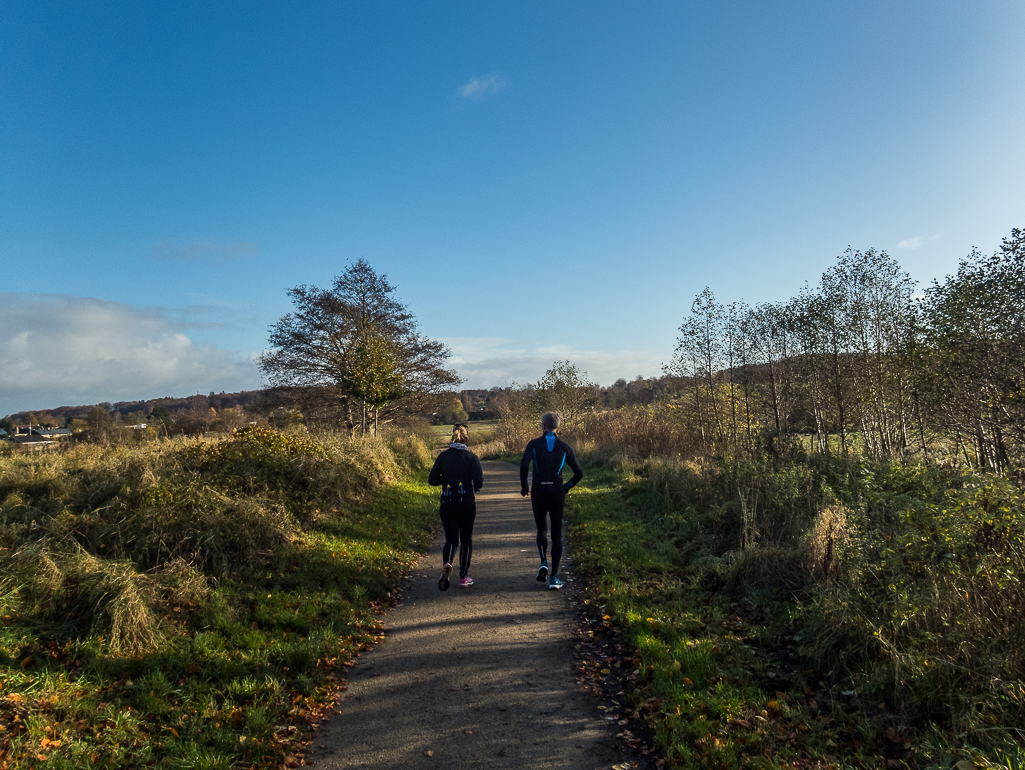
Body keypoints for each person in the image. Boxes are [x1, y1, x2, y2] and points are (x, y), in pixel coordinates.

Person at [519, 412, 583, 589]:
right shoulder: (564, 447)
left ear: (542, 426)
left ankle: (543, 562)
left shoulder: (533, 445)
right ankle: (554, 577)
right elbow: (579, 474)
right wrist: (566, 487)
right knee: (556, 533)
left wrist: (524, 486)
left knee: (541, 529)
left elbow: (524, 465)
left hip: (538, 491)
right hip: (557, 492)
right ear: (558, 427)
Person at [428, 423, 484, 590]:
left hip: (447, 502)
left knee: (451, 539)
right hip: (466, 502)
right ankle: (463, 577)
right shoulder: (472, 458)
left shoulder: (442, 457)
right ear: (466, 439)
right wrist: (474, 487)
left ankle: (447, 563)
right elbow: (479, 482)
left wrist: (445, 481)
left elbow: (432, 480)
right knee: (466, 540)